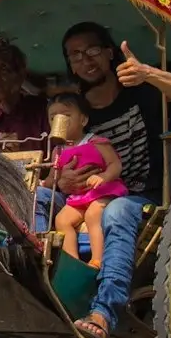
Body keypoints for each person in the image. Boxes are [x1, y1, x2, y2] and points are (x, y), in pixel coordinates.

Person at [54, 22, 171, 338]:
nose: (85, 60)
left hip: (143, 195)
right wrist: (62, 181)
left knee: (115, 213)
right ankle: (58, 292)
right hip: (87, 198)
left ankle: (104, 308)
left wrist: (147, 73)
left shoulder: (139, 89)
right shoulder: (75, 112)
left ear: (109, 53)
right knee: (39, 203)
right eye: (75, 55)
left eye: (92, 51)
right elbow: (61, 159)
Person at [45, 92, 125, 267]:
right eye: (53, 118)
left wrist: (103, 176)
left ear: (83, 120)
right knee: (62, 220)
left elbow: (115, 164)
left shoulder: (96, 142)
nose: (60, 121)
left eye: (66, 116)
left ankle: (97, 259)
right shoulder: (57, 151)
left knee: (93, 214)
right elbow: (53, 178)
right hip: (78, 198)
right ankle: (72, 261)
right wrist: (43, 183)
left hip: (102, 192)